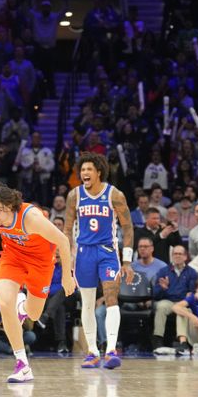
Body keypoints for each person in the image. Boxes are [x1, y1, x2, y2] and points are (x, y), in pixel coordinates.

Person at [0, 183, 75, 383]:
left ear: (10, 206)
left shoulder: (31, 218)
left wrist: (67, 276)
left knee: (34, 314)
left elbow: (63, 242)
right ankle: (22, 364)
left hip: (41, 263)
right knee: (4, 303)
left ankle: (22, 308)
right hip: (12, 258)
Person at [63, 153, 134, 370]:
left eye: (88, 170)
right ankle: (92, 352)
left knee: (112, 298)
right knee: (87, 303)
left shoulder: (115, 195)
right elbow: (67, 228)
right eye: (82, 170)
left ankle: (111, 349)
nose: (84, 173)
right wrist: (68, 258)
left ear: (99, 172)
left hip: (107, 252)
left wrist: (127, 261)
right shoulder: (74, 195)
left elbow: (128, 227)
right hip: (84, 253)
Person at [151, 245, 197, 350]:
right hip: (168, 301)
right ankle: (158, 338)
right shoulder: (163, 271)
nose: (177, 256)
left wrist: (190, 295)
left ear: (185, 257)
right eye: (175, 254)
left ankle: (184, 342)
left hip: (183, 302)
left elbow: (193, 292)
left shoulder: (191, 272)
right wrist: (163, 288)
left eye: (180, 254)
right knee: (161, 306)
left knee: (183, 310)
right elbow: (155, 294)